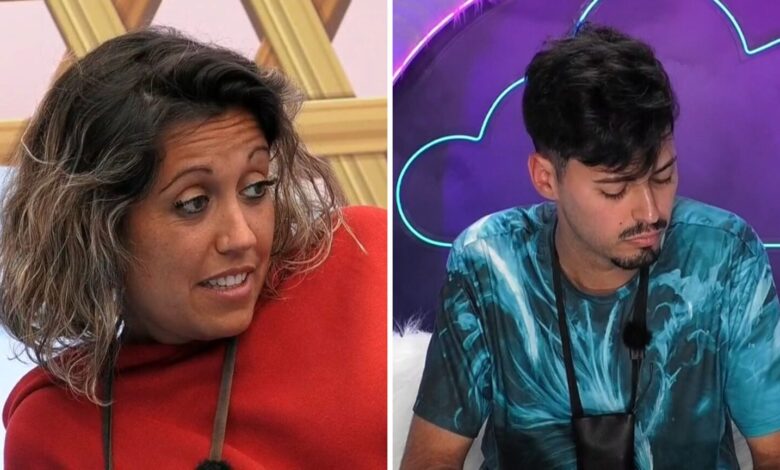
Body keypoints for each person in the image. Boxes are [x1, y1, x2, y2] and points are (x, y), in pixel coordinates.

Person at [1, 28, 386, 469]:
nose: (241, 237)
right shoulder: (55, 429)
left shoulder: (362, 263)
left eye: (256, 189)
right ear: (97, 227)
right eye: (193, 203)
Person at [401, 24, 780, 469]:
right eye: (615, 190)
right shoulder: (489, 265)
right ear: (546, 178)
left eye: (663, 177)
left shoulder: (725, 256)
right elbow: (431, 459)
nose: (650, 211)